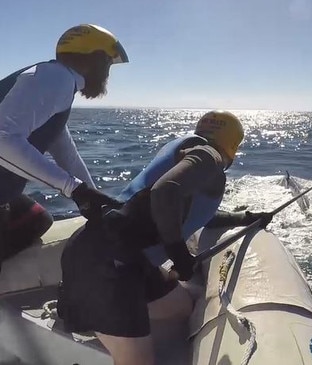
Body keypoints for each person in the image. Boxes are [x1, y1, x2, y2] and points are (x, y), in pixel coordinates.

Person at [58, 110, 274, 365]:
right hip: (109, 268)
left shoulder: (185, 149)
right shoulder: (210, 157)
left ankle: (107, 320)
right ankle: (98, 317)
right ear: (232, 146)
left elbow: (189, 212)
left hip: (122, 257)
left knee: (182, 308)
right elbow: (165, 192)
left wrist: (243, 218)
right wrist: (179, 254)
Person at [0, 24, 129, 270]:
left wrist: (95, 199)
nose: (107, 74)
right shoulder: (56, 78)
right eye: (108, 64)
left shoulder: (53, 80)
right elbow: (3, 139)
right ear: (95, 60)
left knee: (36, 220)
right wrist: (74, 189)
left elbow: (65, 152)